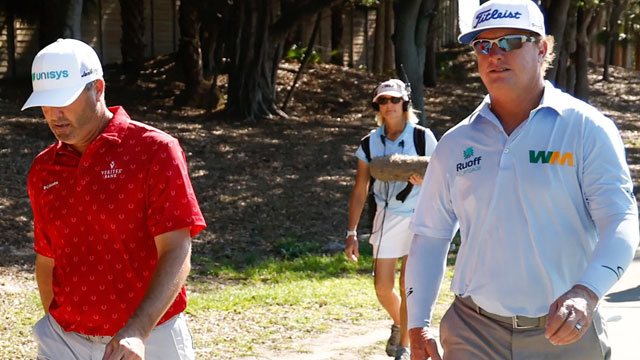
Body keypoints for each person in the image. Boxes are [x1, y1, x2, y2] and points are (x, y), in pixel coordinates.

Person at [406, 1, 639, 359]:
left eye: (510, 41)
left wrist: (587, 292)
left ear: (543, 48)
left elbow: (620, 220)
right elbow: (430, 234)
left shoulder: (586, 128)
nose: (494, 54)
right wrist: (418, 323)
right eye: (483, 45)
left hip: (566, 330)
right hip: (473, 331)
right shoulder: (455, 144)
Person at [23, 38, 206, 360]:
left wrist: (138, 330)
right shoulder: (43, 168)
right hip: (64, 339)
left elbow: (177, 247)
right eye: (45, 103)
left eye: (64, 100)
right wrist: (55, 323)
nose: (54, 114)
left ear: (98, 87)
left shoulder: (155, 150)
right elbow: (47, 258)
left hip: (150, 338)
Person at [345, 79, 437, 360]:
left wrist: (425, 181)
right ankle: (400, 323)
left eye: (393, 100)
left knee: (407, 285)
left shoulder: (423, 137)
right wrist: (351, 233)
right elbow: (361, 188)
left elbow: (444, 177)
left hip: (419, 216)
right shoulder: (370, 143)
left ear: (405, 104)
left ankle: (405, 347)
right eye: (382, 101)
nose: (388, 106)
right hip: (385, 218)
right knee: (383, 287)